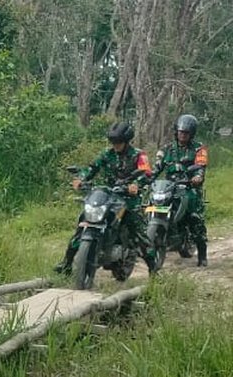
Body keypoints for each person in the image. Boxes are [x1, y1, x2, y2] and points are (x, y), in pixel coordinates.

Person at [54, 121, 156, 275]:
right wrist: (81, 179)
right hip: (108, 194)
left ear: (126, 141)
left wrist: (136, 184)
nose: (115, 145)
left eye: (118, 142)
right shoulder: (107, 154)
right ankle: (66, 264)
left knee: (139, 233)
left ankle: (154, 270)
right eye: (113, 142)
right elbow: (92, 168)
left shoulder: (139, 155)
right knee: (83, 222)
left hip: (129, 199)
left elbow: (147, 173)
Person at [154, 113, 208, 266]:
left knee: (195, 217)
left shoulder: (199, 149)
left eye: (186, 133)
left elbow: (201, 168)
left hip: (189, 188)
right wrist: (146, 179)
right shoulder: (167, 148)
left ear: (191, 134)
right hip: (169, 186)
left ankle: (202, 255)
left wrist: (197, 177)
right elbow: (156, 168)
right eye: (180, 132)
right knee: (151, 205)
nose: (182, 135)